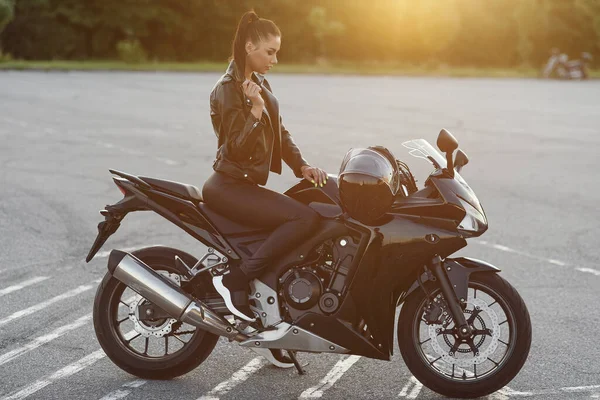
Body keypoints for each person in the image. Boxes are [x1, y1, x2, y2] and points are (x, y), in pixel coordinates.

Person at [202, 10, 328, 321]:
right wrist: (255, 110)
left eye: (276, 53)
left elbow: (280, 133)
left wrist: (302, 166)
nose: (274, 59)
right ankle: (236, 280)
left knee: (306, 210)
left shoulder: (259, 82)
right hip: (227, 187)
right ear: (249, 47)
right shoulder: (227, 89)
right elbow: (235, 147)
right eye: (269, 52)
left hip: (244, 185)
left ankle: (272, 311)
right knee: (303, 219)